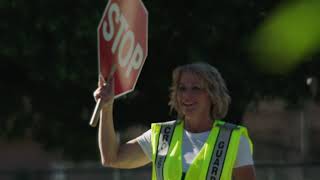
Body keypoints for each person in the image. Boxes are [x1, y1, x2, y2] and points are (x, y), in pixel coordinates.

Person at [93, 62, 256, 180]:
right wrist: (107, 107)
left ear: (212, 95)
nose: (186, 96)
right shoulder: (162, 135)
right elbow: (111, 158)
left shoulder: (233, 140)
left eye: (196, 88)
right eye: (182, 88)